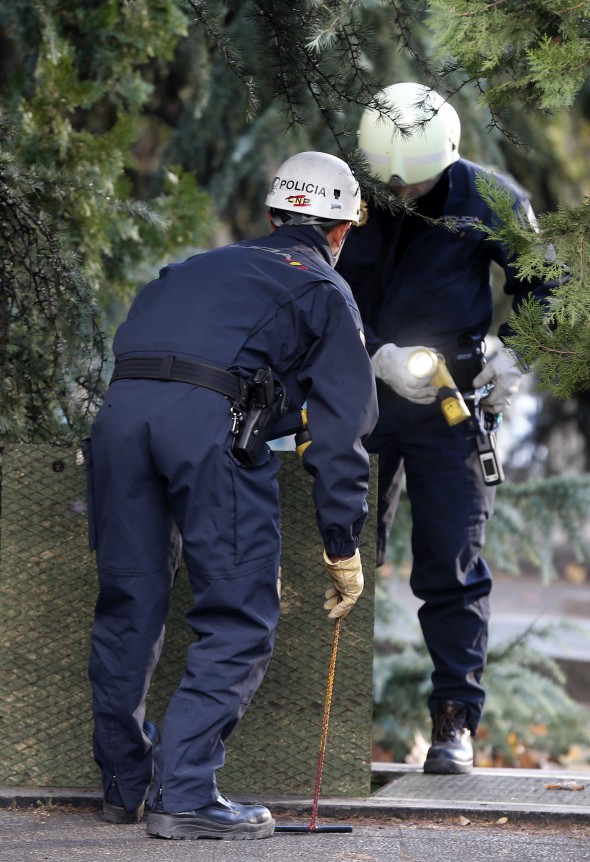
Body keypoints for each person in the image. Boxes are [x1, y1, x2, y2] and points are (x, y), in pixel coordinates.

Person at [85, 150, 378, 840]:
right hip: (208, 427)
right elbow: (341, 436)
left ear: (274, 214)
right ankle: (183, 792)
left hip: (121, 420)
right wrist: (342, 546)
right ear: (339, 231)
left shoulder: (192, 268)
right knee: (240, 611)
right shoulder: (325, 291)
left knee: (129, 600)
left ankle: (127, 786)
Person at [336, 82, 560, 774]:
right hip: (362, 395)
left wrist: (517, 352)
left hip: (450, 404)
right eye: (392, 183)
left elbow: (544, 288)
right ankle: (323, 715)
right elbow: (316, 283)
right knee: (338, 545)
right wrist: (375, 352)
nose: (404, 194)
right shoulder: (352, 193)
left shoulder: (493, 200)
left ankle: (454, 723)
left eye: (418, 183)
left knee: (453, 566)